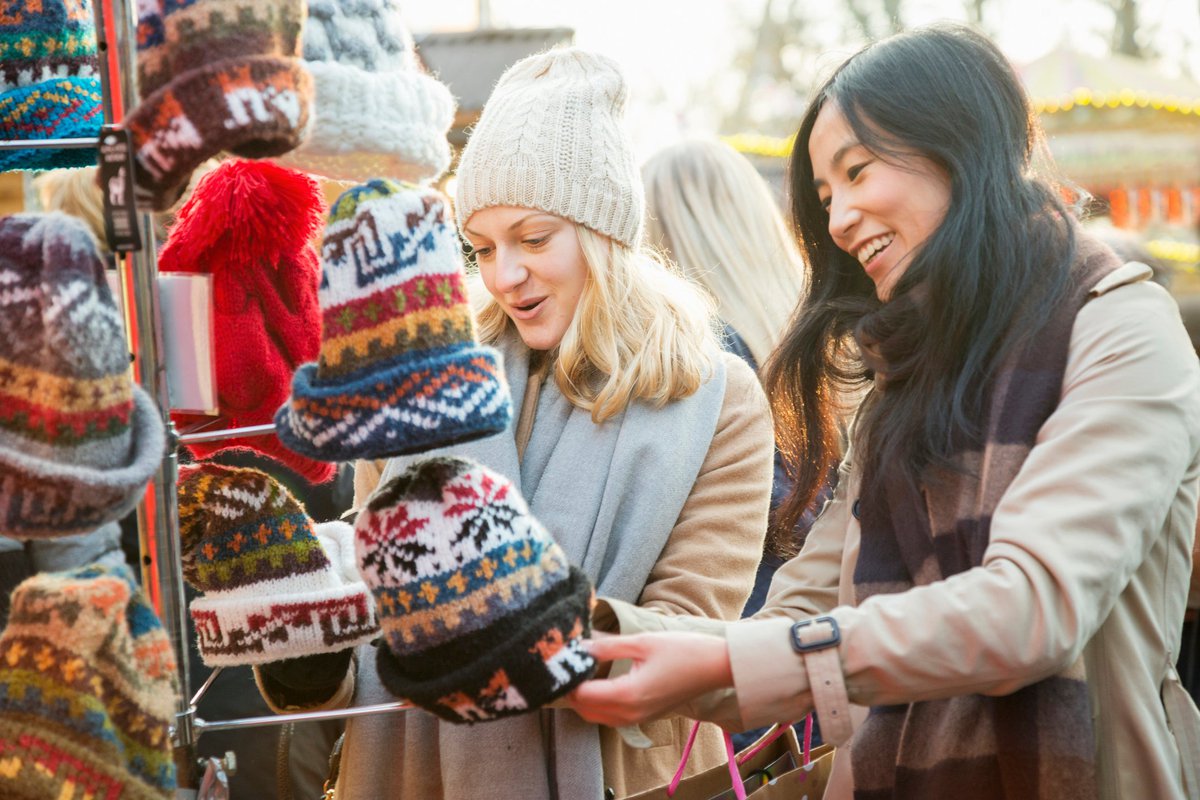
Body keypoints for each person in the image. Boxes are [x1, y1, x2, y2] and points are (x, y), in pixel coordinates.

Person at [569, 24, 1200, 800]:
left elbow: (1031, 610)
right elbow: (793, 616)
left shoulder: (1120, 328)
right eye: (826, 196)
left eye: (857, 172)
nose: (835, 220)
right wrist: (585, 636)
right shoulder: (903, 384)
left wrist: (737, 662)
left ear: (958, 147)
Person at [255, 47, 775, 800]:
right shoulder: (425, 380)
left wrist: (497, 613)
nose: (504, 275)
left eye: (533, 240)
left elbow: (691, 637)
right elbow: (382, 626)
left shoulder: (715, 397)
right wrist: (310, 643)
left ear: (604, 233)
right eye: (483, 247)